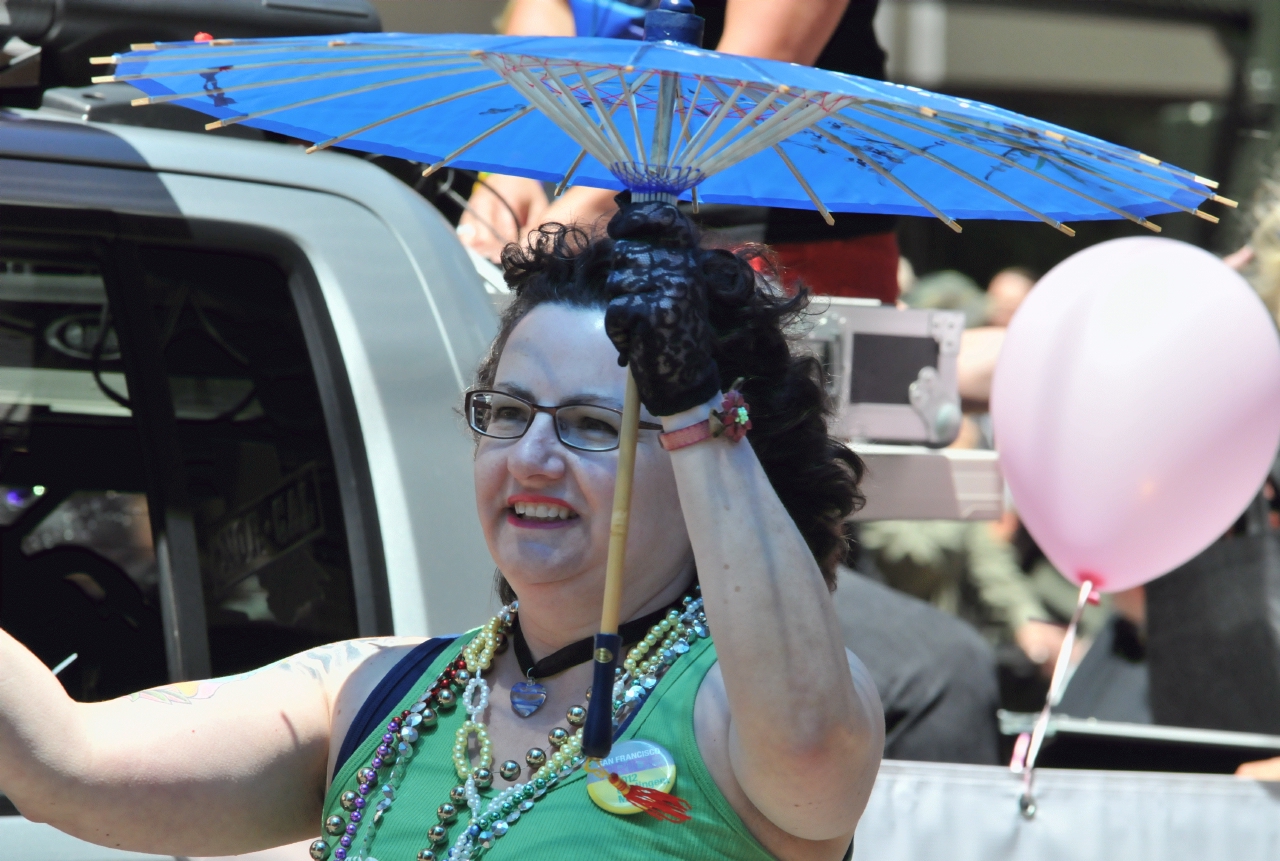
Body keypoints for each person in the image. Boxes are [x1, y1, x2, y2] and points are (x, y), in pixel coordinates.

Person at [0, 199, 883, 861]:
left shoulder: (738, 712)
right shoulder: (375, 695)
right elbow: (62, 760)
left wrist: (692, 403)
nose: (532, 455)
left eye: (589, 424)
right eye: (507, 411)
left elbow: (811, 749)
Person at [460, 0, 900, 303]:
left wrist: (583, 210)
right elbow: (551, 14)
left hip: (774, 235)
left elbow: (748, 76)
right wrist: (511, 171)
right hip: (595, 206)